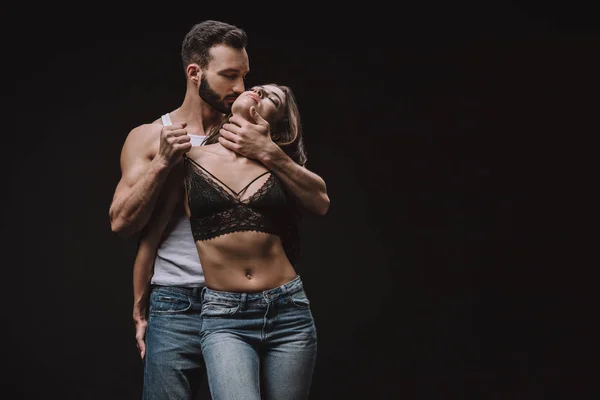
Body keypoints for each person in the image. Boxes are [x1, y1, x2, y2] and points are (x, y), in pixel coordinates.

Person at [108, 20, 330, 399]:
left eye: (245, 76)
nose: (241, 88)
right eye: (230, 76)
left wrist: (266, 150)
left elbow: (314, 200)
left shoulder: (253, 130)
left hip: (258, 299)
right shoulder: (152, 137)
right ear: (195, 73)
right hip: (176, 302)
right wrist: (162, 163)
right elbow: (125, 225)